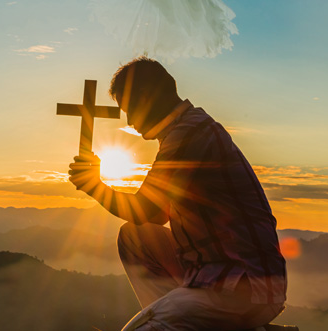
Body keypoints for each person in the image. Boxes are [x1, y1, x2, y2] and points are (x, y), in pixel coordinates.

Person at [68, 57, 287, 331]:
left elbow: (145, 208)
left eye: (129, 109)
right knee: (136, 237)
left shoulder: (189, 133)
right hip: (217, 274)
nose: (129, 121)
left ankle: (169, 322)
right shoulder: (184, 131)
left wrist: (94, 186)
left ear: (147, 97)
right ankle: (179, 319)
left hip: (244, 285)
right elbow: (157, 216)